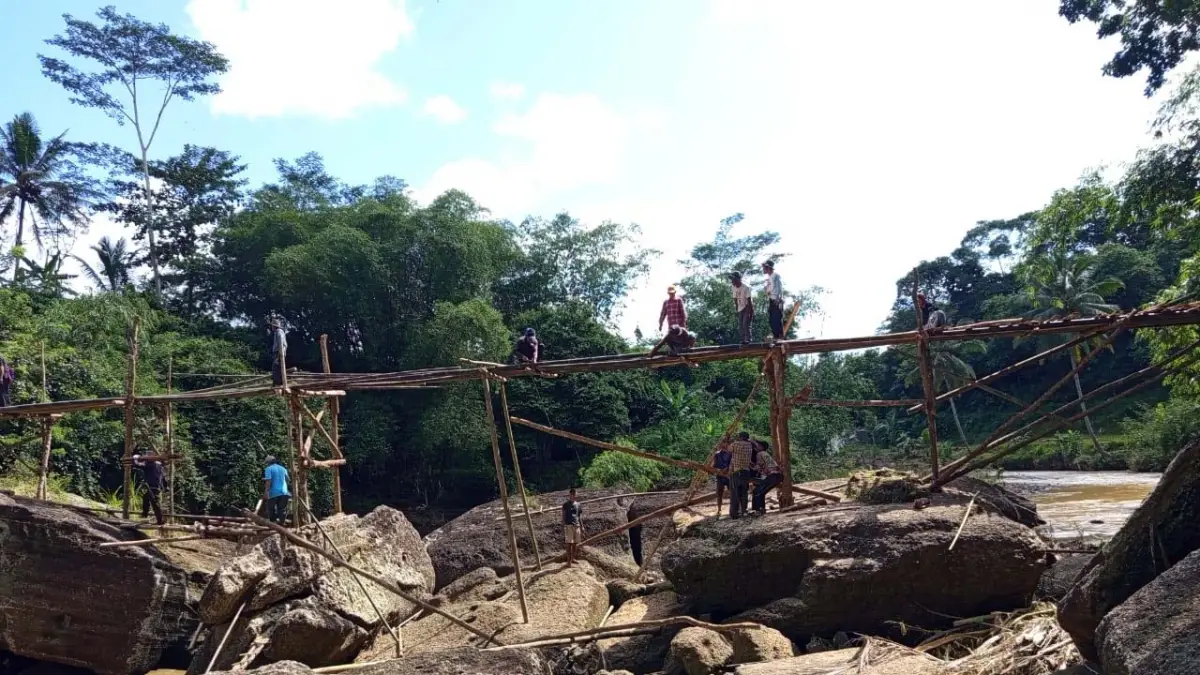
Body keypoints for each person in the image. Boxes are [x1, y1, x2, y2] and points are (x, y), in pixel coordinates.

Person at [727, 432, 756, 519]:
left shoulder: (736, 444)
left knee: (735, 493)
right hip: (746, 471)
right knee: (744, 492)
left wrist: (729, 440)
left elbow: (728, 449)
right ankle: (744, 511)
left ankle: (734, 514)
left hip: (737, 471)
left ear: (740, 437)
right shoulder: (750, 445)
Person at [133, 450, 165, 525]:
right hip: (156, 485)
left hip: (152, 486)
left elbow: (139, 465)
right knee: (146, 498)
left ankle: (160, 520)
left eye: (147, 456)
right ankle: (145, 514)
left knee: (155, 503)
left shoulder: (150, 465)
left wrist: (135, 458)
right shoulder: (158, 464)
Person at [751, 441, 782, 515]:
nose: (756, 447)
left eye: (758, 445)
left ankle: (758, 510)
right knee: (761, 492)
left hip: (771, 476)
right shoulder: (766, 454)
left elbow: (757, 467)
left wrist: (749, 464)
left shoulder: (759, 454)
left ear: (762, 447)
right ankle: (762, 509)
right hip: (778, 476)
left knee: (756, 491)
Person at [263, 455, 291, 525]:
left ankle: (274, 524)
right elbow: (288, 479)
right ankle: (282, 524)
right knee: (282, 509)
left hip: (273, 492)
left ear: (268, 462)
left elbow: (268, 481)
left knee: (271, 508)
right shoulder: (283, 468)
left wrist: (266, 492)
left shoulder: (268, 469)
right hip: (284, 492)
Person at [761, 261, 784, 340]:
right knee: (772, 320)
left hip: (776, 300)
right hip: (772, 299)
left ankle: (779, 336)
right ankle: (776, 336)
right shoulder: (770, 278)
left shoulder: (775, 276)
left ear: (768, 268)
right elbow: (768, 289)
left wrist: (778, 299)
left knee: (776, 319)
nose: (763, 269)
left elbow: (778, 288)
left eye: (764, 267)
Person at [712, 441, 733, 517]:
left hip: (729, 476)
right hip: (720, 476)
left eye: (725, 443)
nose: (723, 445)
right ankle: (719, 509)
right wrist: (719, 470)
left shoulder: (730, 454)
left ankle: (733, 508)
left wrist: (727, 469)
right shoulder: (717, 454)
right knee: (719, 493)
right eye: (722, 443)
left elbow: (732, 464)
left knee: (732, 492)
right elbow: (714, 466)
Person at [562, 487, 583, 565]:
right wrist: (563, 526)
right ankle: (568, 561)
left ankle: (573, 558)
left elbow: (579, 516)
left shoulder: (578, 504)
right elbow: (563, 516)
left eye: (574, 494)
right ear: (569, 494)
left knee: (575, 544)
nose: (573, 495)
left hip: (577, 525)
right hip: (568, 526)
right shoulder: (565, 505)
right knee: (569, 544)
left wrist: (582, 526)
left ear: (576, 494)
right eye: (572, 494)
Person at [731, 272, 753, 344]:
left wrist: (750, 312)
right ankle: (742, 340)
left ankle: (748, 339)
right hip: (740, 307)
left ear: (738, 279)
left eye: (733, 279)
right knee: (740, 324)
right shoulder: (733, 287)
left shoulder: (745, 287)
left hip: (747, 306)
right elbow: (735, 299)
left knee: (745, 323)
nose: (732, 281)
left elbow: (749, 301)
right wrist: (737, 309)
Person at [269, 319, 288, 387]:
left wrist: (280, 355)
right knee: (275, 368)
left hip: (279, 352)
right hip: (278, 352)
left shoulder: (279, 331)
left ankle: (278, 384)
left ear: (274, 326)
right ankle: (277, 383)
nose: (271, 327)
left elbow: (282, 344)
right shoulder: (277, 332)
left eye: (272, 326)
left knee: (276, 368)